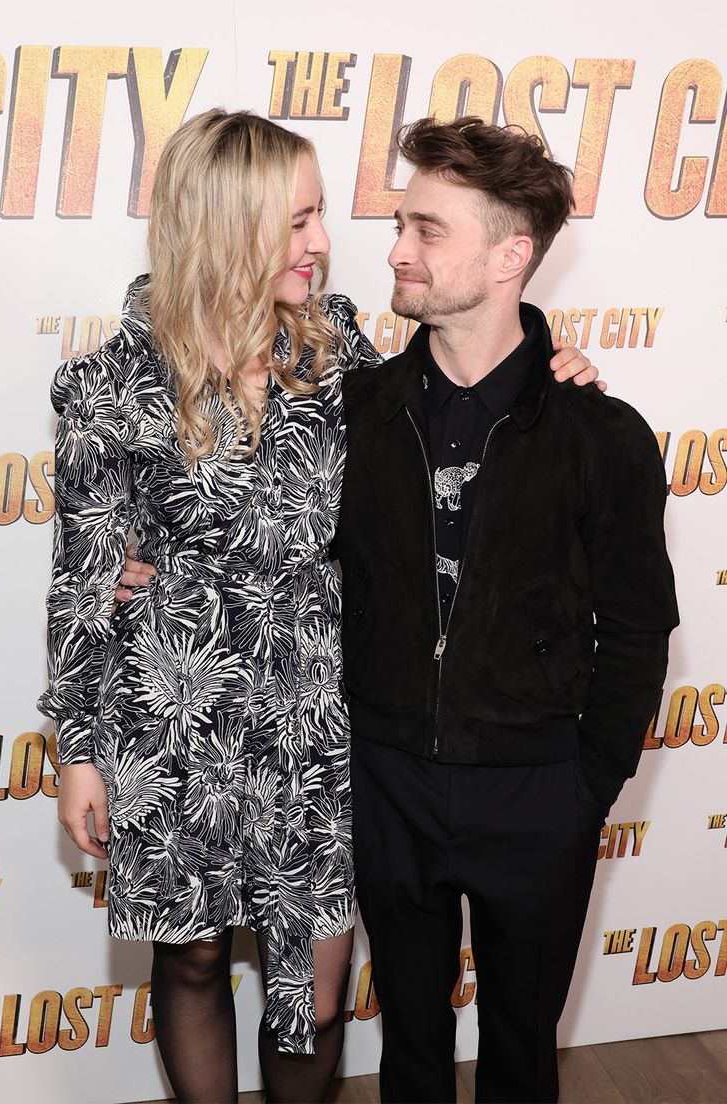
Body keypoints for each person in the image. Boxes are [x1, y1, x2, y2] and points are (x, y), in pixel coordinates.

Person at [71, 111, 599, 1103]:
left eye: (319, 218)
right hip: (169, 718)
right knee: (188, 964)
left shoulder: (341, 350)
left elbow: (465, 384)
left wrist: (556, 363)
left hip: (319, 718)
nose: (323, 241)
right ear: (227, 225)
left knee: (310, 997)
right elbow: (80, 581)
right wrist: (78, 751)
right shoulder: (116, 381)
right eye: (300, 221)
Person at [335, 117, 679, 1104]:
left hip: (537, 792)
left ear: (509, 255)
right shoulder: (357, 411)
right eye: (400, 225)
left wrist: (584, 788)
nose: (396, 249)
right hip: (387, 780)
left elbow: (638, 624)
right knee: (408, 1046)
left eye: (427, 230)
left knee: (521, 1052)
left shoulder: (598, 434)